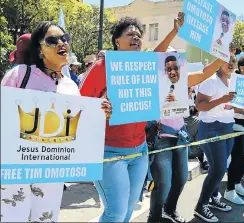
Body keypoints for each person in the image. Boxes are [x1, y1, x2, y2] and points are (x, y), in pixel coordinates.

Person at [79, 13, 186, 223]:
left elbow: (159, 53)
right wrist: (100, 106)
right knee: (115, 213)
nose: (135, 38)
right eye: (130, 34)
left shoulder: (144, 65)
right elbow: (80, 103)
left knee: (128, 210)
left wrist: (174, 31)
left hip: (139, 151)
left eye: (138, 35)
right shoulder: (103, 66)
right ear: (117, 41)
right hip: (109, 151)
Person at [1, 21, 111, 222]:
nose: (62, 43)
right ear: (40, 50)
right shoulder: (19, 75)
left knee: (46, 219)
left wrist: (100, 113)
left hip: (51, 172)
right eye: (53, 40)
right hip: (15, 170)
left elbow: (80, 128)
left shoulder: (70, 86)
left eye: (65, 38)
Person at [148, 45, 236, 223]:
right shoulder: (151, 83)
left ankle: (170, 210)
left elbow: (204, 72)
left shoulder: (183, 80)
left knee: (180, 179)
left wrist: (223, 55)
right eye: (168, 67)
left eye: (175, 66)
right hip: (161, 137)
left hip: (180, 135)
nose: (172, 70)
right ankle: (154, 218)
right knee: (163, 184)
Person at [193, 55, 241, 222]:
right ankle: (201, 205)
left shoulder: (231, 81)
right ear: (219, 62)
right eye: (227, 60)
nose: (230, 64)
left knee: (220, 167)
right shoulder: (211, 80)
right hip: (212, 128)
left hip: (227, 127)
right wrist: (221, 99)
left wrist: (242, 110)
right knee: (218, 169)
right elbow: (199, 105)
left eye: (233, 61)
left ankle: (213, 198)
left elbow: (226, 106)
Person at [224, 56, 244, 205]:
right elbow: (228, 103)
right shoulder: (237, 81)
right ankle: (229, 190)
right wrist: (241, 110)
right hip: (235, 123)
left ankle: (237, 183)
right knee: (238, 157)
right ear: (242, 67)